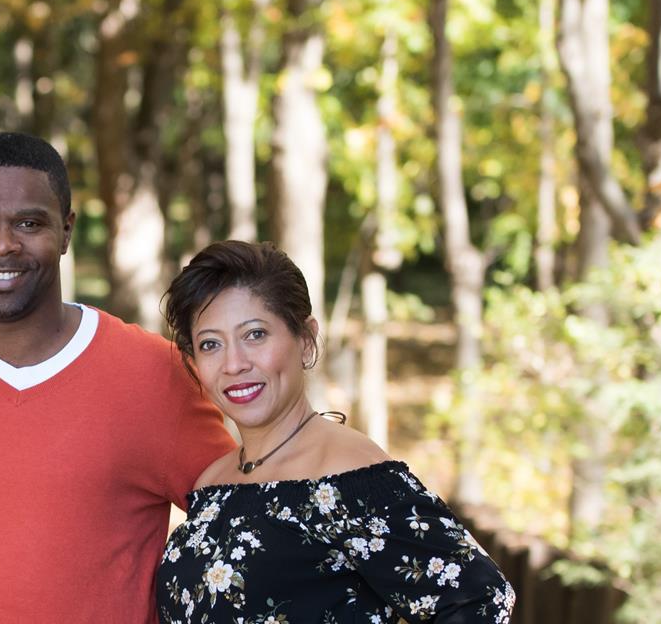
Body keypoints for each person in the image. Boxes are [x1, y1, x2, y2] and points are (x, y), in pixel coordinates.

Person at [0, 132, 236, 622]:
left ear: (66, 231)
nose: (2, 244)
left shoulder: (153, 374)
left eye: (29, 223)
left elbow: (239, 524)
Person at [155, 240, 514, 622]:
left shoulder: (352, 474)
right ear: (194, 364)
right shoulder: (213, 482)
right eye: (211, 344)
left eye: (255, 334)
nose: (234, 363)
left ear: (305, 340)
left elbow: (482, 600)